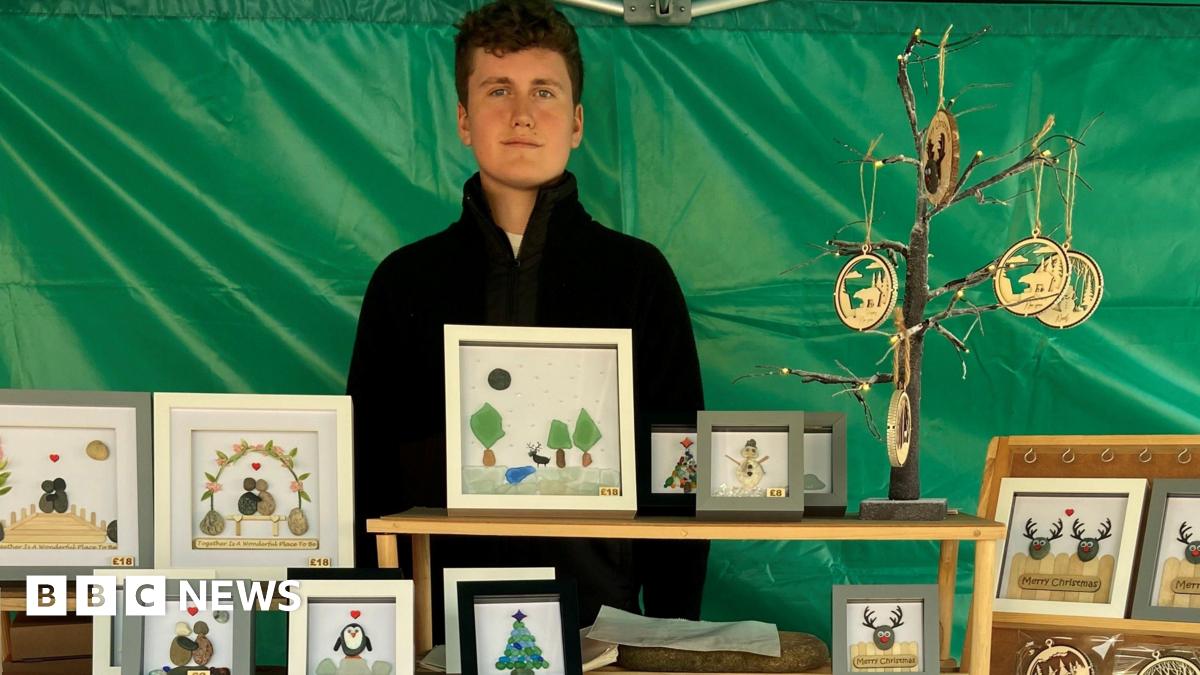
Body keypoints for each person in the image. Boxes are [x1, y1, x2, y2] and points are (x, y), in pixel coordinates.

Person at [346, 0, 707, 638]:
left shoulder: (638, 278)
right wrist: (376, 630)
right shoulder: (404, 282)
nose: (520, 114)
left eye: (544, 91)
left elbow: (678, 469)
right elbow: (365, 475)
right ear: (463, 119)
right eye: (497, 90)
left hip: (601, 622)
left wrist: (670, 634)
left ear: (575, 121)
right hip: (441, 627)